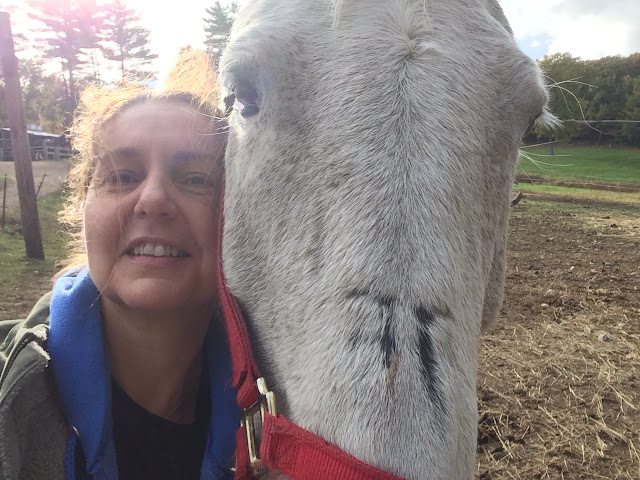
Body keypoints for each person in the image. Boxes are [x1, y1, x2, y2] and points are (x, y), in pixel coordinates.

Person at [0, 51, 240, 480]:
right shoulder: (9, 399)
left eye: (196, 179)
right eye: (122, 176)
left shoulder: (300, 411)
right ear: (82, 207)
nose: (153, 199)